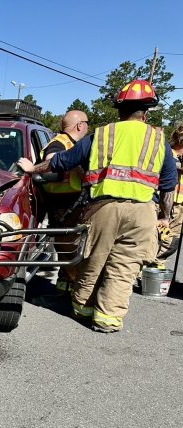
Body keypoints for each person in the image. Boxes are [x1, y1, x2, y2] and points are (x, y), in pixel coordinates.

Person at [18, 79, 177, 333]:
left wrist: (32, 168)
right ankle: (108, 319)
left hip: (103, 209)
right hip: (143, 212)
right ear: (145, 112)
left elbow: (61, 161)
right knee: (124, 267)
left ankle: (82, 308)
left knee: (93, 260)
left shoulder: (102, 134)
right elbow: (169, 184)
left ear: (119, 110)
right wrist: (165, 217)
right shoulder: (159, 140)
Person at [40, 109, 92, 293]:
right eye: (87, 122)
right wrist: (78, 168)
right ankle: (76, 287)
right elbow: (51, 159)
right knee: (71, 251)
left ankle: (65, 286)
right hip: (65, 208)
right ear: (80, 125)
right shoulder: (60, 143)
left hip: (71, 205)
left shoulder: (71, 143)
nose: (87, 126)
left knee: (68, 251)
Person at [154, 123, 183, 265]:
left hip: (179, 205)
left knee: (171, 244)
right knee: (164, 241)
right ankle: (146, 269)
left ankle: (154, 271)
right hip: (168, 204)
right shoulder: (169, 154)